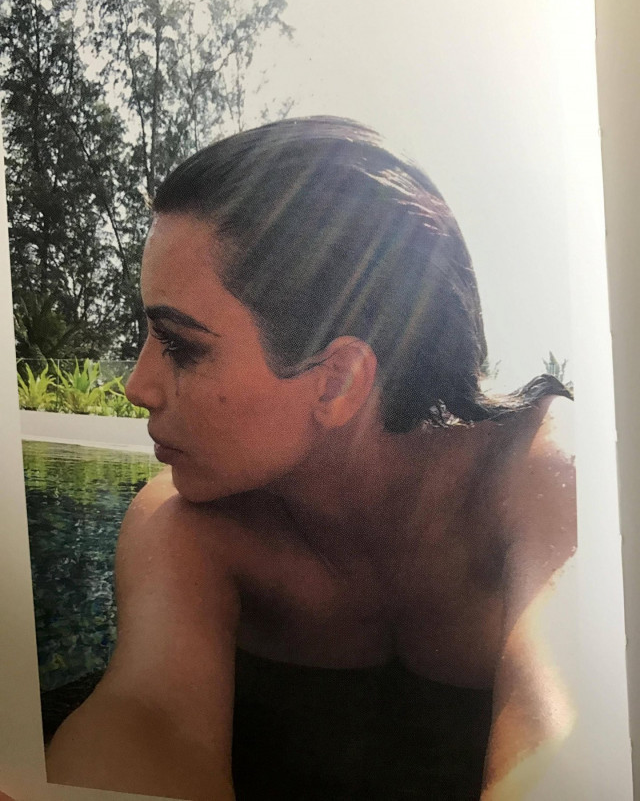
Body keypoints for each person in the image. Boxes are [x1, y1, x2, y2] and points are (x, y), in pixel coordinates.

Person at [45, 116, 576, 800]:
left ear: (337, 380)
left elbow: (566, 739)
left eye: (180, 345)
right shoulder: (190, 525)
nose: (137, 386)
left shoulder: (544, 477)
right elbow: (147, 720)